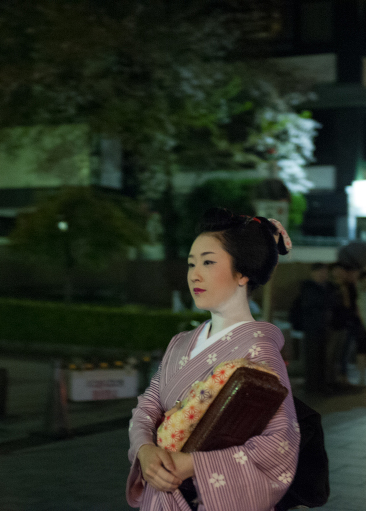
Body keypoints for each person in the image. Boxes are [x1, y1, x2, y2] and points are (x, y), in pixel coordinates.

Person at [127, 208, 300, 511]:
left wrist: (193, 464)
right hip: (161, 493)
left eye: (208, 262)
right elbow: (149, 404)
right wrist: (144, 450)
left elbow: (278, 444)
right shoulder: (181, 342)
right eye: (192, 263)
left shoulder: (259, 350)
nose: (195, 274)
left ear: (243, 272)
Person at [297, 263, 331, 394]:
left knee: (322, 357)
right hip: (311, 327)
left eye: (325, 272)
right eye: (320, 272)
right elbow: (313, 304)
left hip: (322, 327)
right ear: (314, 273)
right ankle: (312, 386)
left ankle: (321, 385)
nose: (323, 275)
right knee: (312, 358)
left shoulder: (325, 287)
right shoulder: (308, 288)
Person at [326, 263, 350, 388]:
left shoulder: (345, 287)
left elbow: (347, 305)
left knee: (340, 354)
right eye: (337, 270)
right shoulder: (329, 287)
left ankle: (336, 380)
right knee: (330, 354)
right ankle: (330, 380)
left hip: (343, 325)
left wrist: (343, 290)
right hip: (332, 326)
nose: (339, 273)